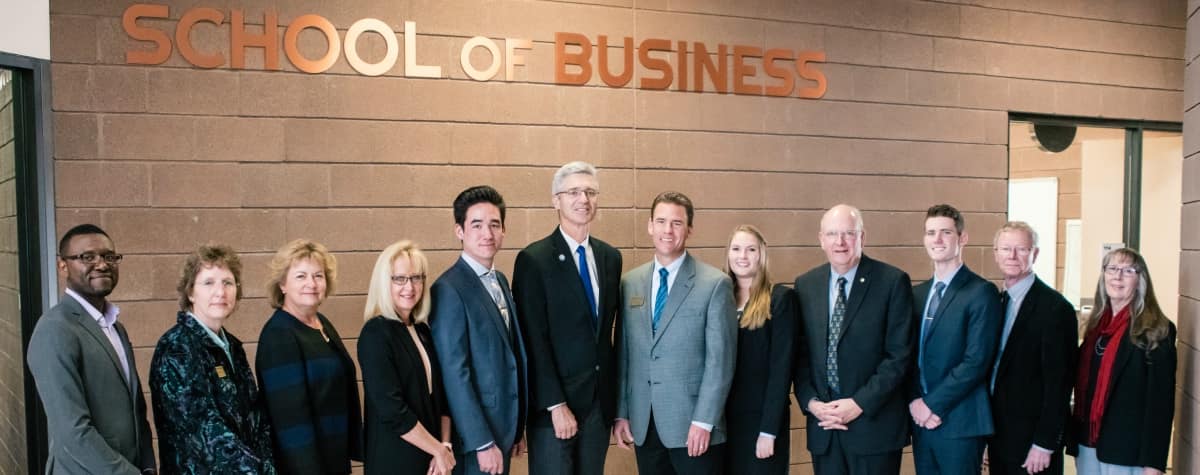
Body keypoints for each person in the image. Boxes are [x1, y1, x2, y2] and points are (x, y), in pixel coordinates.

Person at [612, 191, 737, 475]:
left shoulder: (715, 284)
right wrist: (622, 412)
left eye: (677, 223)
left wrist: (705, 421)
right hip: (645, 424)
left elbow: (721, 362)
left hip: (694, 428)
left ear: (689, 229)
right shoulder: (630, 283)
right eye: (661, 221)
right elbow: (624, 354)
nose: (667, 230)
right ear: (650, 226)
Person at [513, 162, 622, 475]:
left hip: (598, 406)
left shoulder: (610, 257)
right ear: (555, 200)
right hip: (555, 410)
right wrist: (555, 404)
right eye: (573, 191)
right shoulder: (534, 260)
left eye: (590, 192)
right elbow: (533, 338)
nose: (583, 199)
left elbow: (606, 334)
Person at [792, 204, 914, 475]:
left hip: (873, 427)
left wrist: (859, 403)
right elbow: (800, 356)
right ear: (821, 239)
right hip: (825, 428)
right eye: (833, 234)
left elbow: (898, 356)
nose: (840, 242)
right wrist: (812, 404)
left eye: (849, 233)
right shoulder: (806, 285)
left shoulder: (892, 282)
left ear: (862, 237)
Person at [27, 224, 157, 474]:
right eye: (87, 257)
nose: (102, 264)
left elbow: (136, 411)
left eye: (109, 256)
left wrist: (148, 466)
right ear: (62, 266)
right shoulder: (55, 330)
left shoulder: (115, 327)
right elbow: (72, 432)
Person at [149, 244, 275, 474]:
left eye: (227, 282)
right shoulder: (177, 347)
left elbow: (257, 420)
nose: (220, 292)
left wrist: (268, 466)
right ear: (190, 292)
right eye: (208, 283)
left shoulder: (233, 347)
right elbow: (203, 429)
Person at [430, 185, 528, 475]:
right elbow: (454, 372)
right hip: (477, 438)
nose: (487, 233)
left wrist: (516, 425)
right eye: (476, 225)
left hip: (504, 426)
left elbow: (510, 354)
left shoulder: (499, 279)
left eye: (494, 225)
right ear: (459, 231)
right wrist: (481, 442)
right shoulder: (448, 289)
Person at [256, 239, 363, 475]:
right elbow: (291, 425)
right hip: (305, 467)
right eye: (301, 276)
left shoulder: (321, 323)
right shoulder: (279, 335)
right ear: (282, 284)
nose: (311, 284)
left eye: (318, 276)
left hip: (333, 458)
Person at [909, 204, 1002, 475]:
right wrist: (916, 402)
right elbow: (906, 355)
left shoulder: (981, 292)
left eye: (945, 232)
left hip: (960, 422)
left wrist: (932, 404)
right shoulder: (917, 294)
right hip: (921, 421)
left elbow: (976, 361)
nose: (937, 240)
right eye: (930, 233)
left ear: (962, 238)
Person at [1066, 248, 1176, 475]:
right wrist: (1075, 444)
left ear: (1140, 280)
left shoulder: (1156, 330)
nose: (1118, 276)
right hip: (1088, 444)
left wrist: (1154, 463)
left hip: (1128, 452)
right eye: (1112, 268)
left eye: (1128, 271)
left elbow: (1160, 404)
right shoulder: (1096, 327)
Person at [987, 222, 1077, 475]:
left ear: (1034, 254)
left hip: (1033, 443)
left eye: (1021, 249)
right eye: (1006, 249)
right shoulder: (995, 301)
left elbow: (1060, 384)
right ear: (995, 253)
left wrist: (1045, 443)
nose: (1012, 256)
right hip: (999, 435)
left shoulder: (1056, 309)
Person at [358, 240, 455, 475]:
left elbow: (442, 399)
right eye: (399, 278)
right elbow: (392, 409)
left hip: (432, 460)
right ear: (384, 283)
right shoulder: (376, 333)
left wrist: (444, 446)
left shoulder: (422, 330)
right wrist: (438, 451)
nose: (409, 287)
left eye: (416, 278)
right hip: (395, 459)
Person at [722, 225, 796, 475]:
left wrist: (769, 430)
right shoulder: (719, 298)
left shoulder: (780, 299)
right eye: (736, 249)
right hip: (723, 421)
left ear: (761, 254)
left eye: (750, 249)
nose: (742, 256)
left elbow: (781, 370)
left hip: (760, 421)